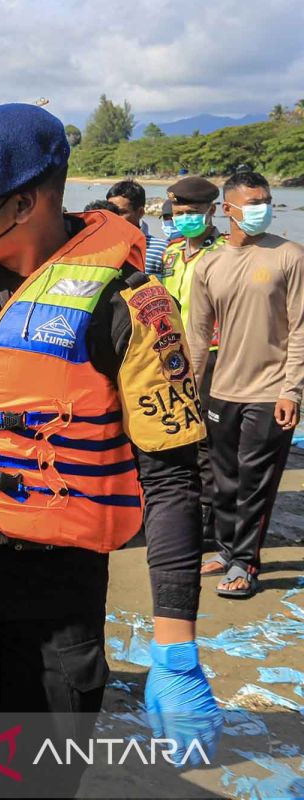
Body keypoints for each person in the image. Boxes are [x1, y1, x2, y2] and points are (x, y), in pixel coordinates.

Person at [0, 103, 219, 799]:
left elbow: (173, 479)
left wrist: (176, 640)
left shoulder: (130, 305)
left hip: (51, 585)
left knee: (32, 776)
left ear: (26, 203)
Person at [188, 170, 304, 598]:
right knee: (224, 479)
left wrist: (292, 390)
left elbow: (300, 329)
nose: (263, 209)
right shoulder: (209, 263)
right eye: (254, 203)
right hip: (222, 390)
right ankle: (225, 550)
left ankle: (245, 563)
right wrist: (191, 390)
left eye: (267, 201)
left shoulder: (290, 256)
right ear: (227, 209)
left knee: (256, 481)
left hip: (270, 391)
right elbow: (198, 335)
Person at [161, 176, 228, 547]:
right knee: (176, 432)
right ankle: (183, 509)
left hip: (214, 356)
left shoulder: (227, 252)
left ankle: (207, 517)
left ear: (211, 211)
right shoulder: (172, 253)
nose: (185, 217)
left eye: (193, 211)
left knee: (206, 438)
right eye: (179, 211)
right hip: (171, 358)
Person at [107, 179, 168, 275]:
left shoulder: (162, 250)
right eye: (110, 212)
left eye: (121, 212)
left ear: (140, 212)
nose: (114, 217)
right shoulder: (100, 248)